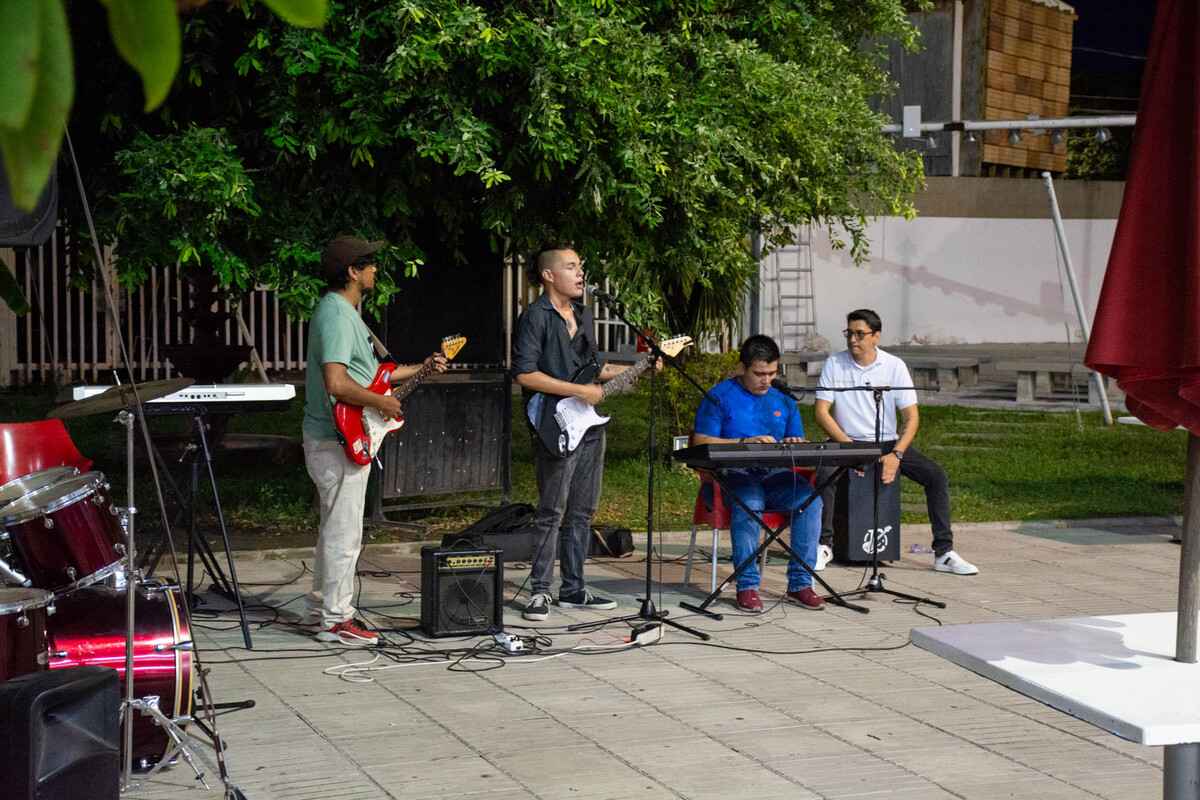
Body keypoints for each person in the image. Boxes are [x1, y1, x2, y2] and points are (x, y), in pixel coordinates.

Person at [302, 236, 447, 645]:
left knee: (336, 529)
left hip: (340, 436)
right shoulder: (335, 313)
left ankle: (322, 610)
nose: (375, 271)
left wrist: (422, 367)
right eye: (370, 264)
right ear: (352, 271)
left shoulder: (346, 313)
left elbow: (374, 375)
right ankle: (336, 620)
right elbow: (337, 382)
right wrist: (382, 403)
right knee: (344, 533)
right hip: (335, 438)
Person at [511, 243, 629, 622]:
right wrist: (580, 391)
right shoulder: (535, 317)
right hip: (554, 420)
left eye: (580, 266)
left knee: (583, 510)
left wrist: (638, 368)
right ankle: (540, 591)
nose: (580, 274)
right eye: (571, 267)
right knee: (552, 509)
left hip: (588, 420)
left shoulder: (583, 314)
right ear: (548, 275)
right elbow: (525, 374)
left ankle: (573, 589)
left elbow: (590, 369)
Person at [813, 308, 978, 575]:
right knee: (824, 473)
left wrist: (897, 454)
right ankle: (824, 545)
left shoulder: (894, 366)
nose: (853, 340)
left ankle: (944, 552)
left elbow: (911, 418)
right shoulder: (835, 363)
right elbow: (821, 412)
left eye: (860, 334)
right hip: (846, 441)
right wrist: (851, 448)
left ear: (876, 336)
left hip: (888, 442)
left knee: (936, 476)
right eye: (849, 333)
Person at [692, 334, 825, 613]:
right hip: (732, 477)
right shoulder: (719, 397)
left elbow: (795, 441)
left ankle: (801, 583)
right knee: (750, 501)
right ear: (742, 368)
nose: (766, 379)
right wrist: (740, 444)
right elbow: (699, 443)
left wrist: (793, 444)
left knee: (811, 500)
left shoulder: (784, 401)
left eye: (772, 373)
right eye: (759, 373)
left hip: (774, 476)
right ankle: (747, 585)